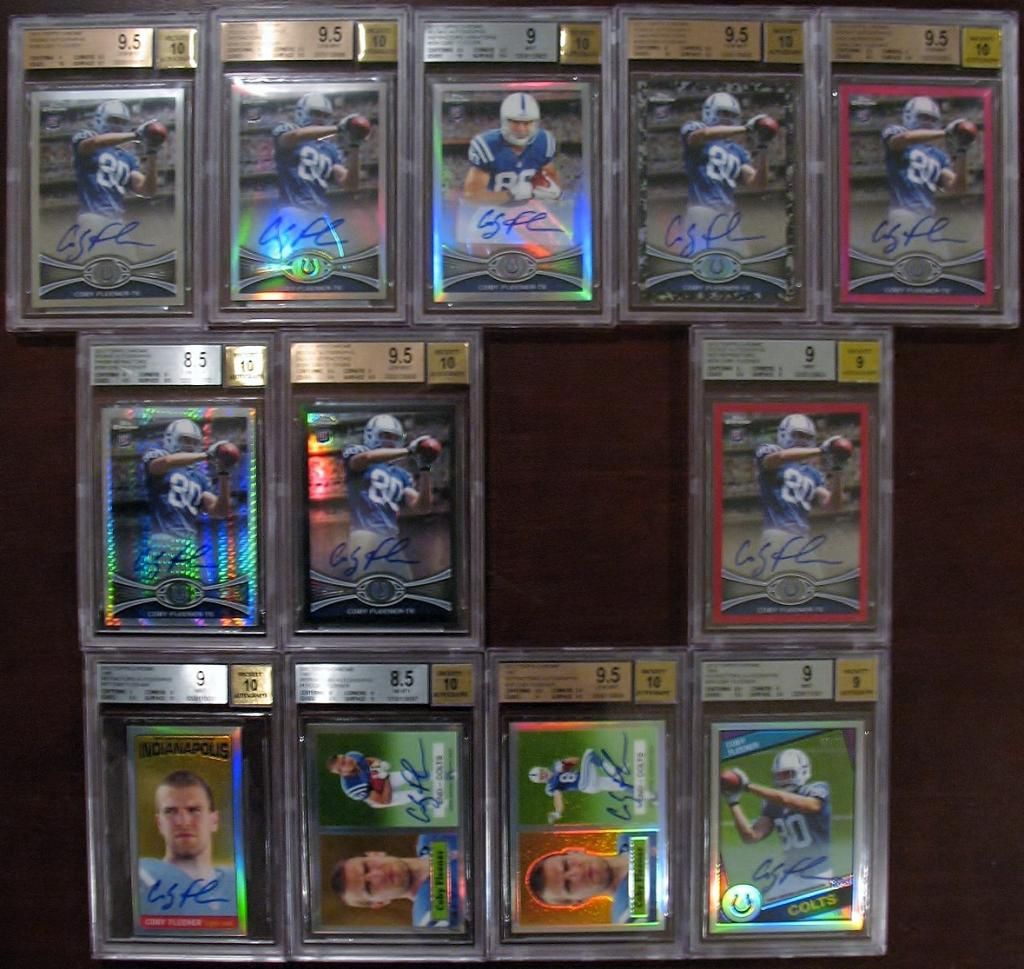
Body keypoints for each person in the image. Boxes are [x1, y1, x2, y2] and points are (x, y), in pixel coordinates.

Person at [720, 748, 833, 901]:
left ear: (803, 771)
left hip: (817, 874)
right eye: (779, 775)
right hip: (790, 875)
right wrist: (734, 803)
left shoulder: (815, 789)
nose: (783, 780)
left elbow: (797, 802)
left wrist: (748, 786)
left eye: (787, 774)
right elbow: (751, 836)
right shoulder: (773, 803)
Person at [339, 414, 440, 578]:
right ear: (371, 435)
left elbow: (423, 507)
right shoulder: (358, 454)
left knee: (405, 587)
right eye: (385, 435)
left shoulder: (401, 475)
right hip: (365, 534)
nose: (390, 440)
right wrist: (409, 451)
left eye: (394, 437)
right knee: (368, 585)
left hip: (391, 540)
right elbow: (366, 458)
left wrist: (425, 468)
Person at [677, 91, 776, 254]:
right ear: (709, 112)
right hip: (702, 211)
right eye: (723, 113)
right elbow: (701, 134)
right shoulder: (697, 131)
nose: (727, 118)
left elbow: (758, 184)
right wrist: (746, 128)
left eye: (731, 115)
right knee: (703, 262)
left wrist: (764, 148)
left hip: (728, 216)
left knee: (743, 263)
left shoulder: (737, 151)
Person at [71, 99, 166, 260]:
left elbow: (147, 190)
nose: (117, 125)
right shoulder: (87, 138)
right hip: (92, 217)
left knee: (131, 267)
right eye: (113, 120)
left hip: (117, 222)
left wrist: (152, 153)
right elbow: (93, 143)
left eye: (121, 122)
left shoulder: (126, 157)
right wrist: (135, 135)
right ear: (99, 119)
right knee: (96, 266)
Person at [137, 770, 237, 917]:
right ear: (159, 823)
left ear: (214, 821)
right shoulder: (142, 876)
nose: (183, 822)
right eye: (170, 812)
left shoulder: (236, 883)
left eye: (194, 810)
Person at [753, 414, 850, 548]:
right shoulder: (771, 452)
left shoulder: (812, 473)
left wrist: (838, 471)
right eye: (798, 434)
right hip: (777, 533)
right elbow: (779, 457)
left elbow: (833, 506)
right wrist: (821, 450)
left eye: (807, 437)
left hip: (802, 537)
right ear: (784, 434)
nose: (803, 440)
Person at [880, 96, 974, 232]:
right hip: (904, 213)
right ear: (909, 116)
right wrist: (946, 133)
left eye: (932, 119)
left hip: (927, 217)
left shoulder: (938, 156)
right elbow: (903, 138)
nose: (928, 122)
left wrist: (962, 151)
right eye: (923, 117)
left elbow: (958, 188)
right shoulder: (897, 133)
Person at [271, 92, 369, 215]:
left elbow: (351, 185)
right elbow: (295, 135)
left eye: (325, 115)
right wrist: (339, 129)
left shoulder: (330, 149)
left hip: (318, 213)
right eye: (316, 113)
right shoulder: (288, 129)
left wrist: (355, 146)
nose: (321, 119)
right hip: (292, 209)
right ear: (301, 112)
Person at [331, 833, 460, 926]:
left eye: (367, 867)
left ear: (375, 853)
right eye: (369, 887)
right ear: (380, 903)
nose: (378, 875)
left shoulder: (433, 833)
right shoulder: (429, 914)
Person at [463, 91, 562, 205]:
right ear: (503, 121)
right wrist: (511, 194)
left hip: (529, 209)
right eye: (515, 122)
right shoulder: (487, 145)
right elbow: (472, 195)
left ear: (536, 123)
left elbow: (551, 179)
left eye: (527, 123)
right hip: (492, 211)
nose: (521, 129)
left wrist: (553, 192)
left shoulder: (544, 142)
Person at [528, 749, 653, 823]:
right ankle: (616, 771)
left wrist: (564, 763)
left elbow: (576, 760)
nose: (544, 775)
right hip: (584, 783)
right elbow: (558, 797)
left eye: (542, 772)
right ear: (541, 781)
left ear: (543, 768)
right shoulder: (551, 786)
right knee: (590, 753)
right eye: (541, 777)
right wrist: (558, 812)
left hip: (591, 783)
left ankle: (651, 797)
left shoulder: (555, 767)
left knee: (620, 786)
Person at [524, 838, 633, 921]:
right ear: (578, 902)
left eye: (567, 865)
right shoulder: (628, 917)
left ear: (575, 851)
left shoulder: (631, 831)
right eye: (568, 885)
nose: (577, 873)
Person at [326, 751, 416, 808]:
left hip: (377, 778)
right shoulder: (352, 787)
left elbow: (369, 760)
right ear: (342, 773)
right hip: (378, 796)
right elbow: (385, 800)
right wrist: (385, 777)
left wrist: (380, 763)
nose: (348, 760)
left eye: (344, 757)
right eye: (343, 763)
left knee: (411, 775)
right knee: (416, 796)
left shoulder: (352, 756)